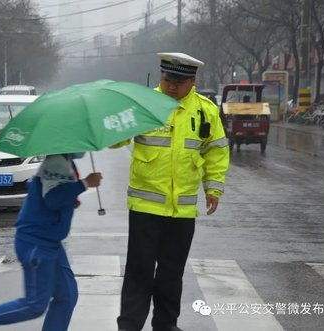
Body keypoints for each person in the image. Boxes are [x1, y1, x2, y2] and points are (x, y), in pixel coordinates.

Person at [113, 53, 230, 331]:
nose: (171, 87)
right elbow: (118, 141)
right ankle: (129, 326)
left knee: (171, 273)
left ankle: (166, 325)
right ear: (161, 77)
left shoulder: (206, 110)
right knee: (138, 273)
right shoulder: (144, 104)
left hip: (183, 210)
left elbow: (216, 151)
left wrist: (213, 188)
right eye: (167, 80)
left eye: (179, 82)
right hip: (145, 208)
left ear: (193, 81)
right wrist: (114, 124)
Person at [0, 153, 102, 330]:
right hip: (37, 243)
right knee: (34, 305)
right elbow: (53, 199)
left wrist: (70, 199)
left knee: (67, 295)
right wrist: (84, 184)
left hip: (50, 241)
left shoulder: (65, 160)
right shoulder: (56, 162)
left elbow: (47, 192)